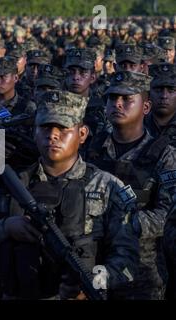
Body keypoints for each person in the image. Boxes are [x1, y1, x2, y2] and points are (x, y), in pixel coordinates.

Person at [0, 90, 140, 299]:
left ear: (82, 134)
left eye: (63, 128)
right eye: (46, 127)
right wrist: (5, 227)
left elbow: (128, 260)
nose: (53, 135)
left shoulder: (107, 186)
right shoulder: (11, 184)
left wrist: (93, 282)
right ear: (35, 132)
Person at [86, 71, 176, 299]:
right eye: (112, 98)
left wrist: (124, 224)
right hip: (92, 263)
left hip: (141, 271)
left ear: (146, 107)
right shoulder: (90, 149)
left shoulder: (164, 155)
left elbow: (168, 215)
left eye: (127, 99)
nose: (117, 103)